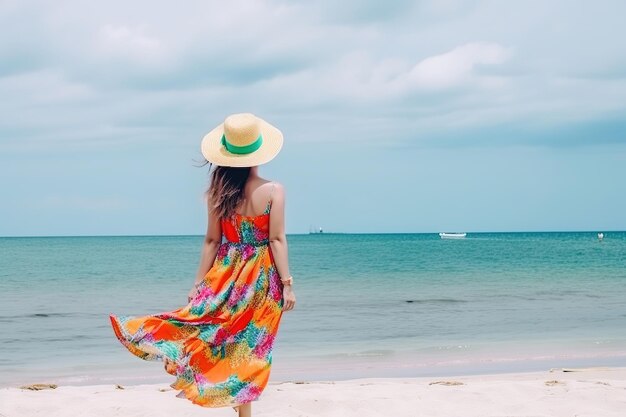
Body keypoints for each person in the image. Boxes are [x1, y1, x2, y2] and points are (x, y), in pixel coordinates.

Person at [109, 113, 296, 417]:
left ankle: (239, 409)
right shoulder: (274, 190)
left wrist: (199, 284)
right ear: (257, 153)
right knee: (251, 348)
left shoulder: (218, 194)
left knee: (213, 333)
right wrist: (287, 284)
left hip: (225, 275)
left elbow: (212, 241)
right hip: (261, 279)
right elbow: (276, 240)